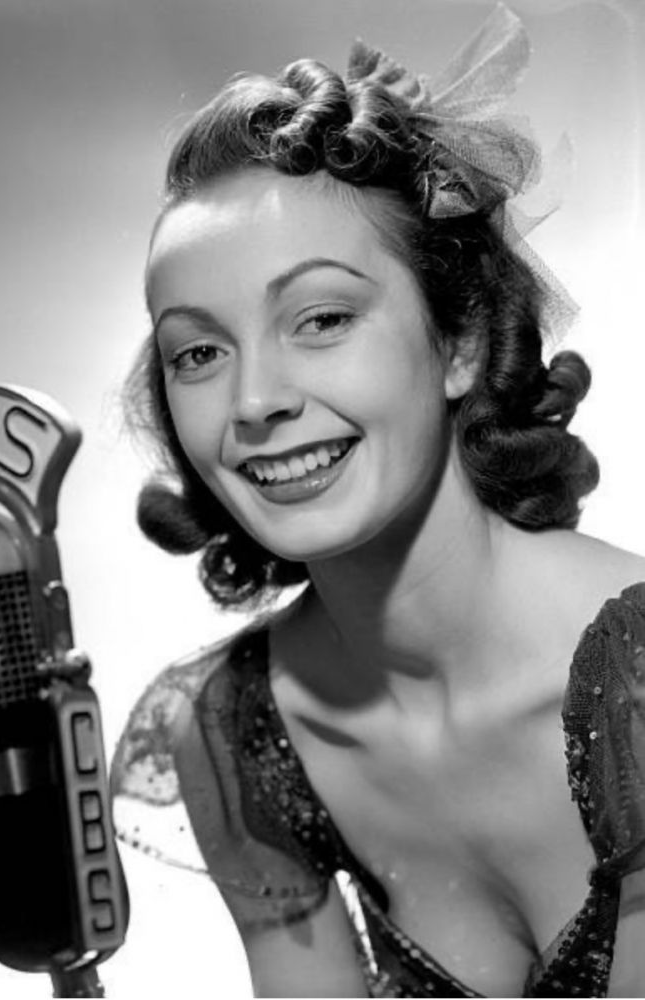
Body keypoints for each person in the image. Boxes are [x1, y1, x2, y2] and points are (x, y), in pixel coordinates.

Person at [111, 6, 645, 997]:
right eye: (199, 351)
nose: (255, 401)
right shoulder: (237, 730)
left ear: (462, 343)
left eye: (320, 318)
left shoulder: (642, 684)